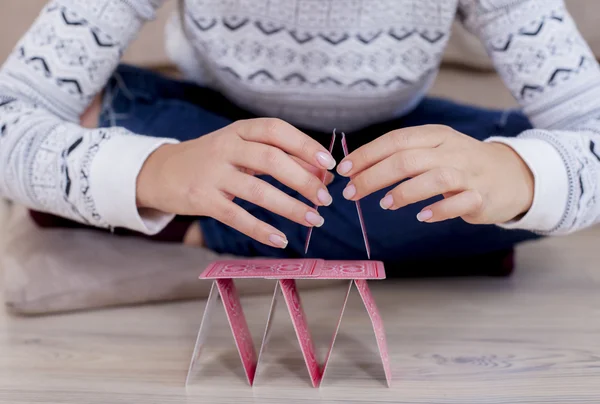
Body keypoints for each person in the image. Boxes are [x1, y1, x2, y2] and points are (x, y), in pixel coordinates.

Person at [1, 0, 598, 275]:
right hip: (216, 130)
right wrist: (162, 172)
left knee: (516, 168)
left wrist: (515, 178)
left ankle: (190, 221)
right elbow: (11, 116)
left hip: (380, 141)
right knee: (94, 121)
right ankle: (433, 244)